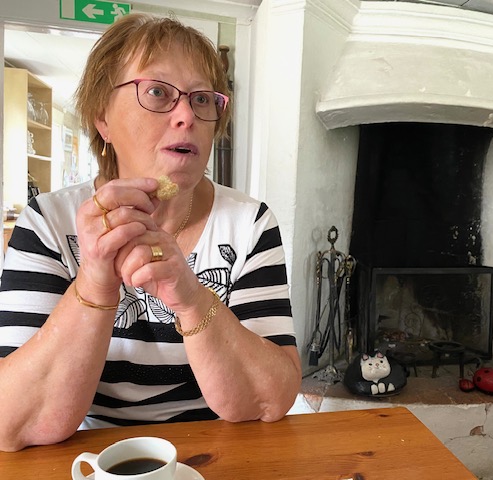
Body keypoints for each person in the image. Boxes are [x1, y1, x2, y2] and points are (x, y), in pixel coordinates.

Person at [0, 13, 301, 452]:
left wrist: (191, 298)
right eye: (158, 92)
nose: (187, 115)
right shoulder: (48, 222)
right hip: (87, 452)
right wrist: (94, 283)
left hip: (216, 448)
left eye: (202, 99)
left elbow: (269, 400)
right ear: (102, 117)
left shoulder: (249, 223)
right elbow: (12, 423)